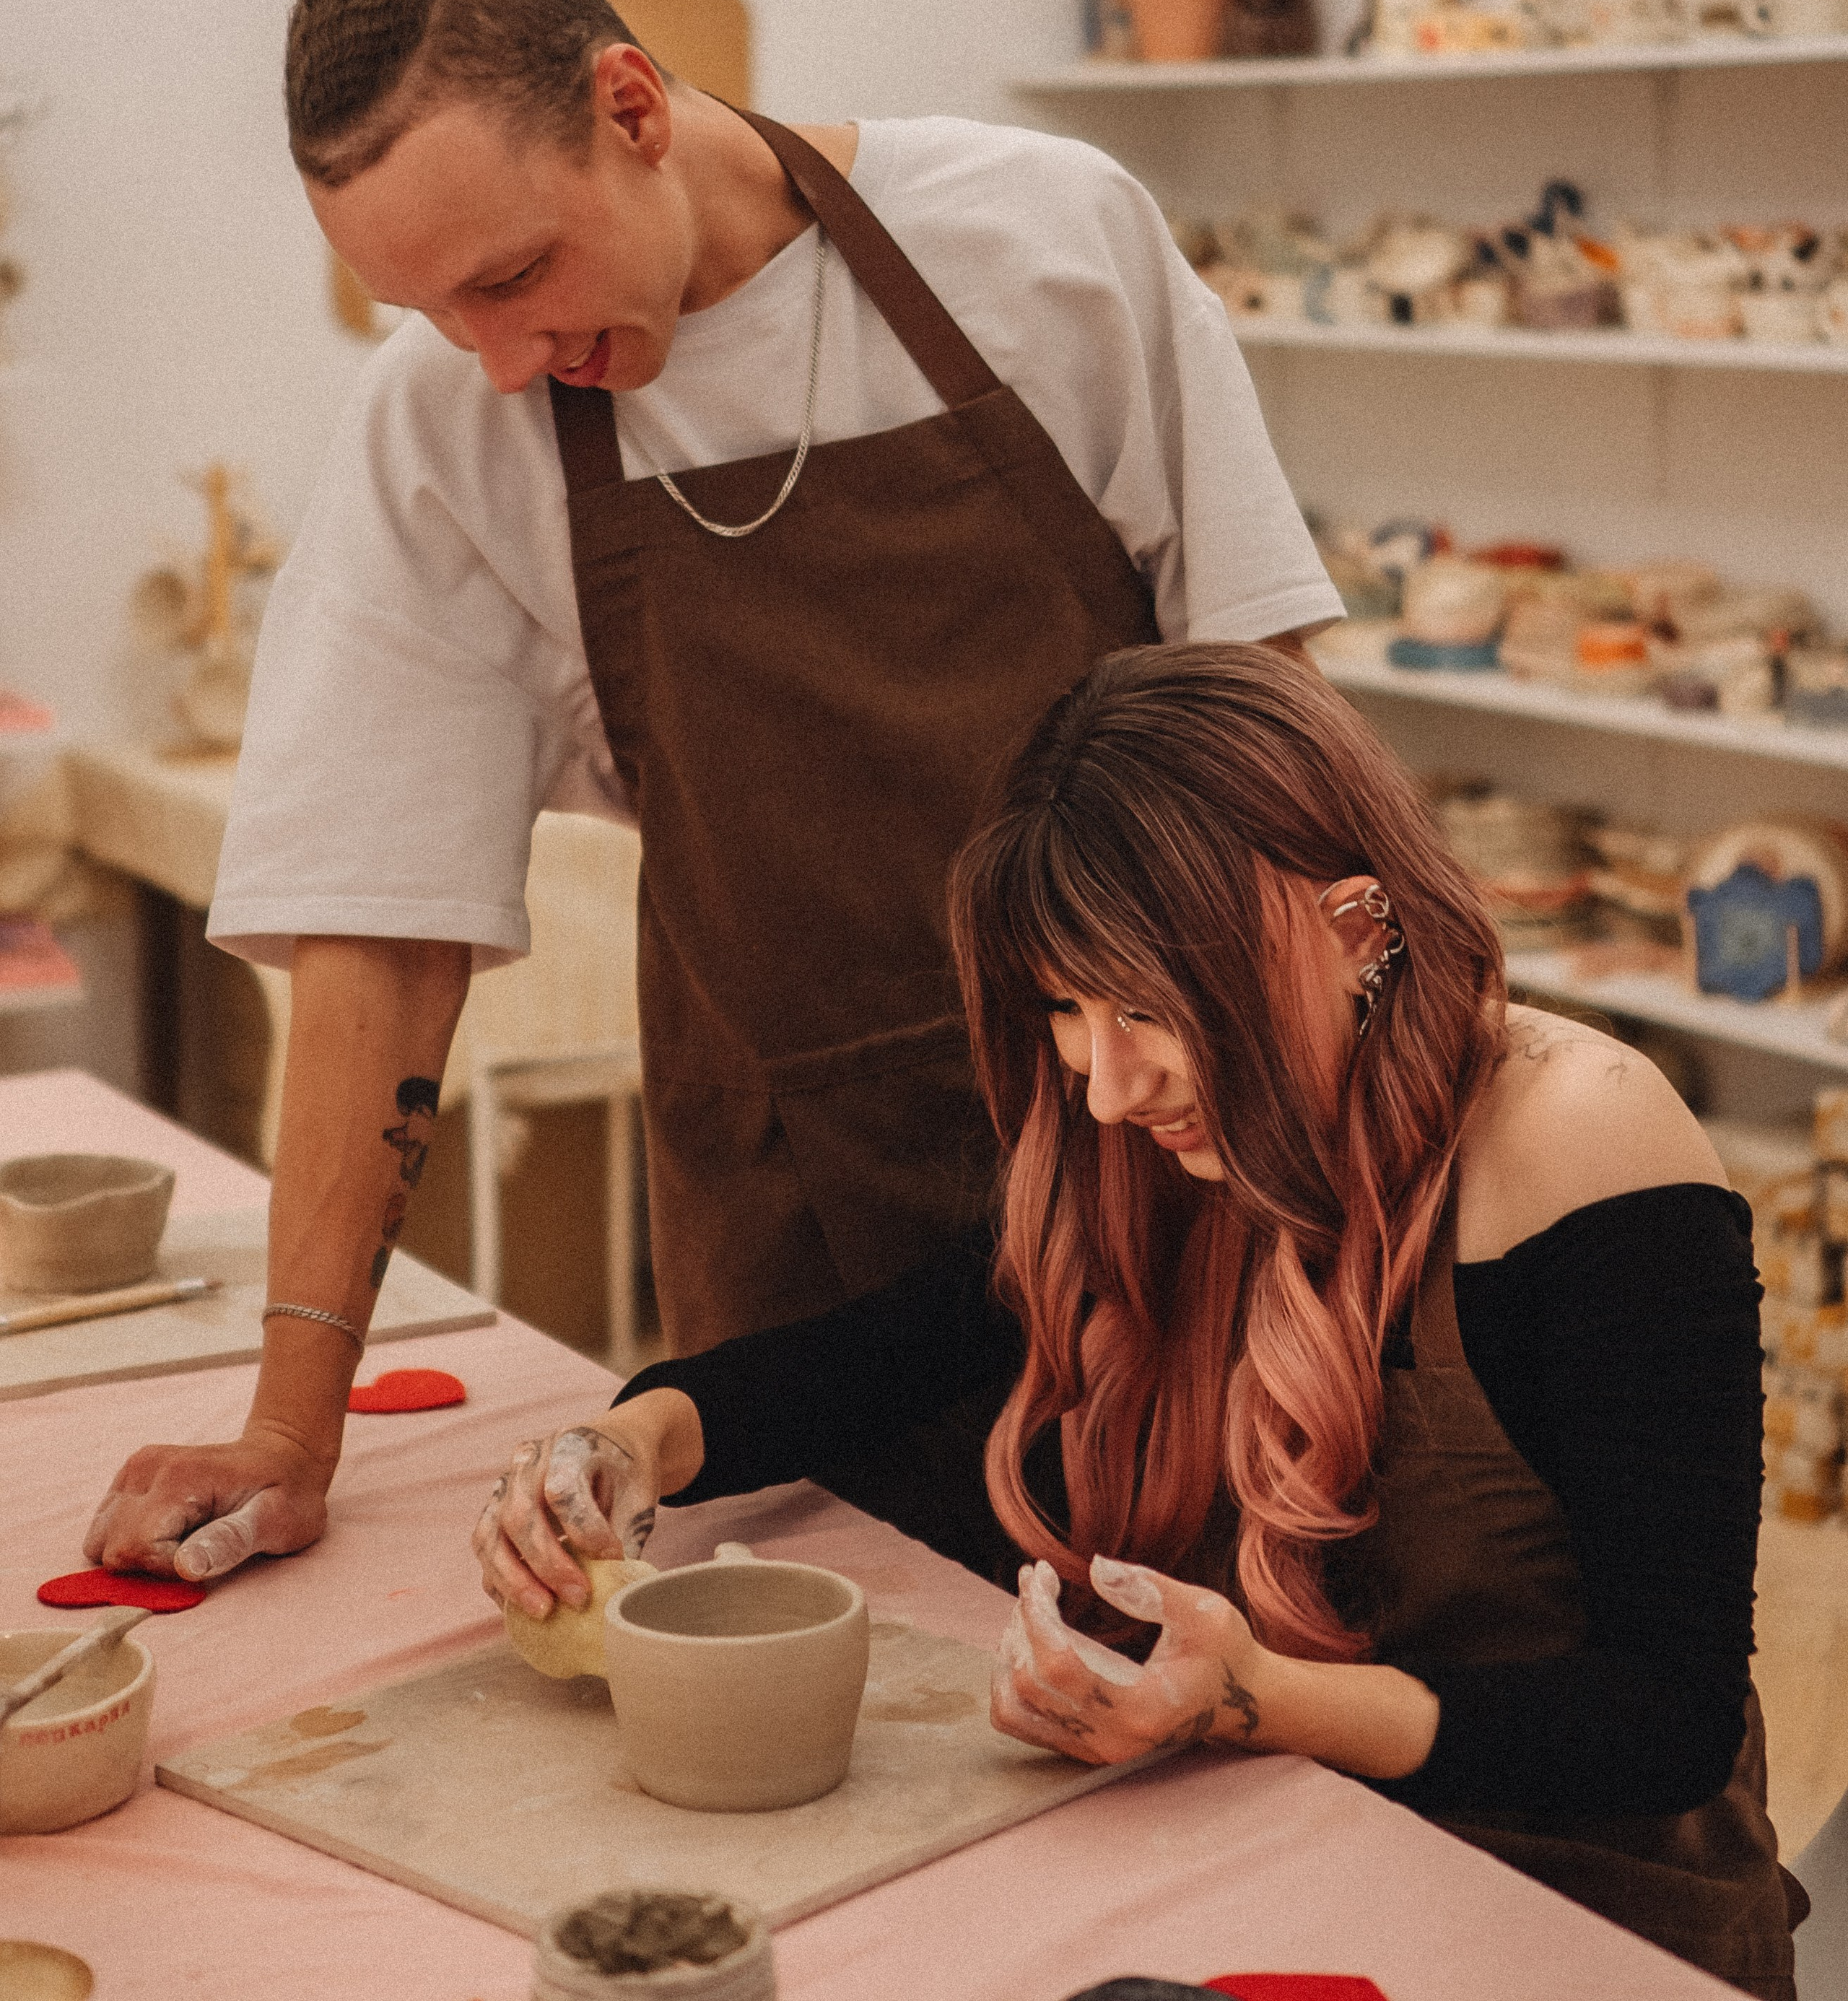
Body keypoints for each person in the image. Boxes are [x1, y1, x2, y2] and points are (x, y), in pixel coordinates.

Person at [82, 0, 1342, 1590]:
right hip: (799, 1241)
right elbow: (381, 931)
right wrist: (292, 1428)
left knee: (1233, 1696)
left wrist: (1353, 1167)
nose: (495, 355)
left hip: (1177, 1170)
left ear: (631, 103)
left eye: (512, 276)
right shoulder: (447, 428)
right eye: (428, 309)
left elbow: (1277, 739)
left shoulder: (1041, 241)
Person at [472, 645, 1800, 2001]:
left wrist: (1250, 1697)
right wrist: (633, 1439)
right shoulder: (1157, 1146)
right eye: (1067, 1008)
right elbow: (884, 1353)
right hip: (1282, 1848)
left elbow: (1666, 1718)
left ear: (1355, 929)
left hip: (1575, 1913)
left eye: (1153, 1010)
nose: (1107, 1087)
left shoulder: (1581, 1138)